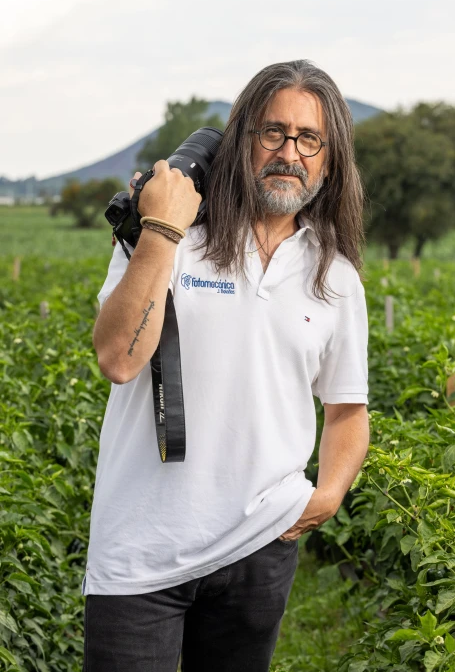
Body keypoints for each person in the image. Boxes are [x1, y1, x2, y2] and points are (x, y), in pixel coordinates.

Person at [82, 59, 370, 672]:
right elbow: (117, 359)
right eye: (273, 132)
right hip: (139, 556)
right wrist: (160, 229)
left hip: (260, 548)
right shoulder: (169, 237)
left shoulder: (335, 275)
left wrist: (331, 490)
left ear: (330, 156)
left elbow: (347, 408)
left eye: (308, 138)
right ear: (241, 140)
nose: (289, 152)